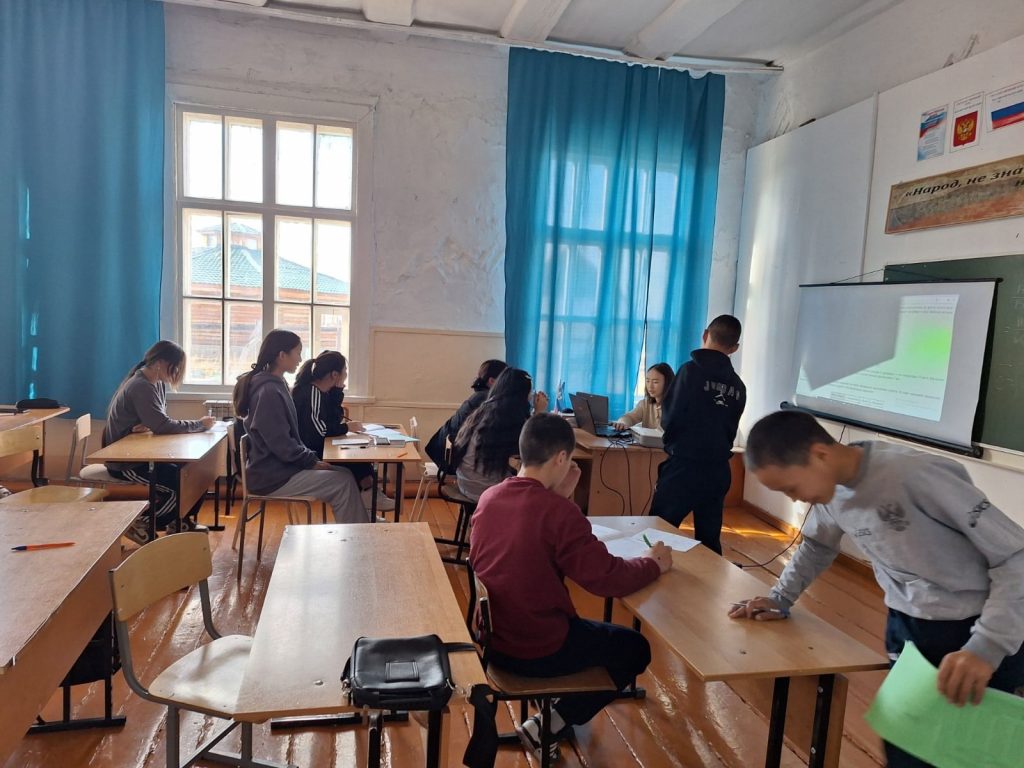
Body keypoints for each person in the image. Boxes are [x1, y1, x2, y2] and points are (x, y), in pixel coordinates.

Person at [730, 410, 1024, 768]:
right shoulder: (830, 491)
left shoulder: (913, 475)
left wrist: (986, 647)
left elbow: (1016, 555)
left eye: (791, 488)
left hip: (974, 630)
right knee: (906, 745)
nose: (795, 500)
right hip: (907, 624)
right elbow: (818, 545)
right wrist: (780, 598)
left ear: (819, 455)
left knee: (975, 754)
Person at [470, 413, 671, 760]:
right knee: (636, 648)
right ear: (562, 458)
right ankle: (548, 724)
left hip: (493, 641)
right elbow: (607, 578)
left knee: (600, 636)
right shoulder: (558, 513)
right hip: (537, 647)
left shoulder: (490, 497)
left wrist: (560, 498)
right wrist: (653, 563)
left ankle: (551, 714)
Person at [233, 329, 367, 524]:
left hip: (280, 468)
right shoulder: (269, 391)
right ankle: (357, 535)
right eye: (297, 352)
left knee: (345, 473)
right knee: (343, 482)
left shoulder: (276, 384)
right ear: (282, 355)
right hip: (272, 476)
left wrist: (309, 459)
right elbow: (281, 443)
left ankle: (359, 527)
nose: (300, 358)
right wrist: (310, 461)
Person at [102, 340, 216, 544]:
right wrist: (199, 424)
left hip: (142, 452)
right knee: (178, 487)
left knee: (197, 473)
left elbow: (159, 422)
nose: (177, 373)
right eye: (176, 367)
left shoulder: (156, 383)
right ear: (160, 363)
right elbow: (163, 425)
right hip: (126, 462)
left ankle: (180, 521)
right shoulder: (141, 386)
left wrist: (151, 425)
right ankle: (141, 523)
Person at [650, 315, 746, 555]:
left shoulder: (689, 372)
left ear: (705, 335)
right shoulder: (738, 386)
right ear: (734, 348)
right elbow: (730, 428)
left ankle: (647, 572)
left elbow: (669, 418)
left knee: (658, 531)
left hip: (684, 466)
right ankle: (711, 578)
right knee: (709, 540)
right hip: (718, 470)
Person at [291, 350, 394, 512]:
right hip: (311, 452)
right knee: (355, 459)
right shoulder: (312, 393)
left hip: (319, 446)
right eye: (345, 371)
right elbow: (320, 430)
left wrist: (337, 392)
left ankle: (367, 505)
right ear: (334, 374)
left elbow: (334, 419)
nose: (346, 374)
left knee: (359, 457)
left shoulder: (323, 392)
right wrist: (347, 427)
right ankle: (369, 498)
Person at [451, 367, 547, 501]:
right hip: (486, 490)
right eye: (530, 392)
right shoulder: (507, 417)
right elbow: (531, 446)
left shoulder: (486, 408)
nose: (531, 396)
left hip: (466, 483)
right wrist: (539, 413)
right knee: (541, 483)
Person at [425, 359, 507, 473]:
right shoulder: (486, 400)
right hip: (452, 461)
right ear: (492, 381)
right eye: (506, 380)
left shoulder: (480, 396)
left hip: (443, 453)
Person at [612, 362, 675, 430]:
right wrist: (622, 423)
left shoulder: (676, 406)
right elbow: (630, 417)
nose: (650, 386)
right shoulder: (645, 403)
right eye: (647, 381)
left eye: (655, 382)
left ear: (668, 383)